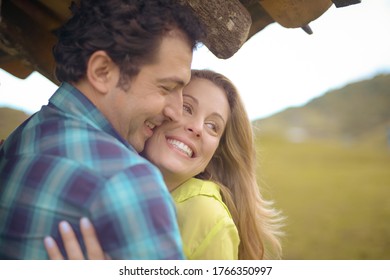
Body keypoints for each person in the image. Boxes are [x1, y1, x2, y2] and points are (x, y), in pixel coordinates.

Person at [0, 0, 205, 259]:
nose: (176, 111)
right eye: (166, 88)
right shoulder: (129, 182)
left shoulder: (21, 138)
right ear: (102, 71)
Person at [45, 69, 284, 260]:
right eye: (186, 108)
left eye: (213, 126)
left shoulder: (206, 214)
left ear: (215, 156)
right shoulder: (111, 181)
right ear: (159, 113)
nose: (197, 128)